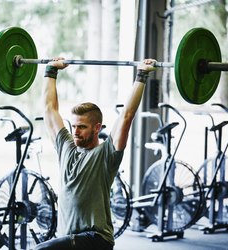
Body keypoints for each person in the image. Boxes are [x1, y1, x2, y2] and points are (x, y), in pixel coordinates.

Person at [35, 58, 157, 250]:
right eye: (74, 126)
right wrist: (50, 71)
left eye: (82, 127)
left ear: (97, 127)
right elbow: (49, 109)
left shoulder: (106, 154)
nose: (75, 131)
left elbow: (126, 116)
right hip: (70, 238)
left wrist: (141, 75)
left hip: (96, 239)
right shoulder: (66, 148)